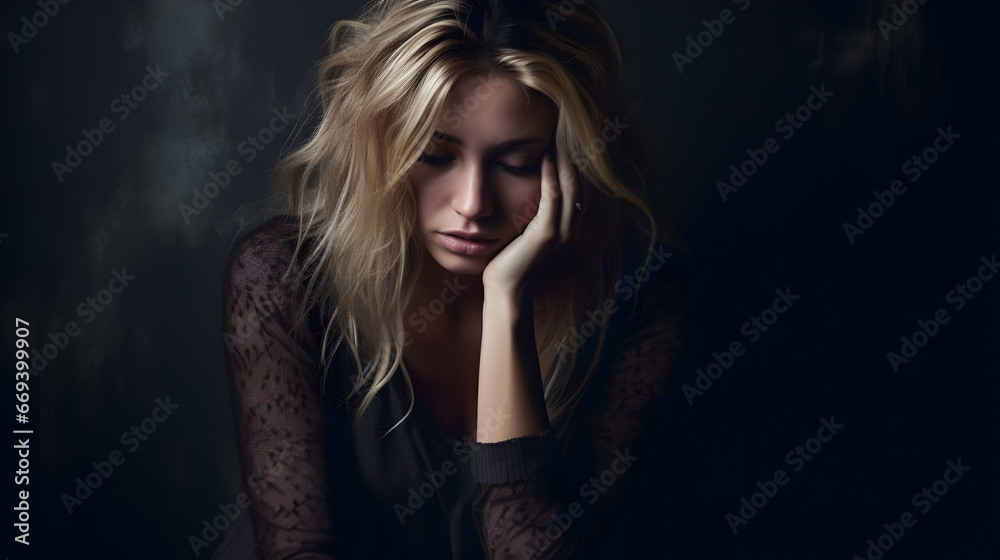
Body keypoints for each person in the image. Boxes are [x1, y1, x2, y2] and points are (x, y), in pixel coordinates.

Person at [219, 0, 689, 558]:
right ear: (383, 148)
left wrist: (507, 301)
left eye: (518, 163)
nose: (473, 204)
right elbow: (300, 549)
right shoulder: (282, 276)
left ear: (575, 166)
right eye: (435, 155)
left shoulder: (642, 300)